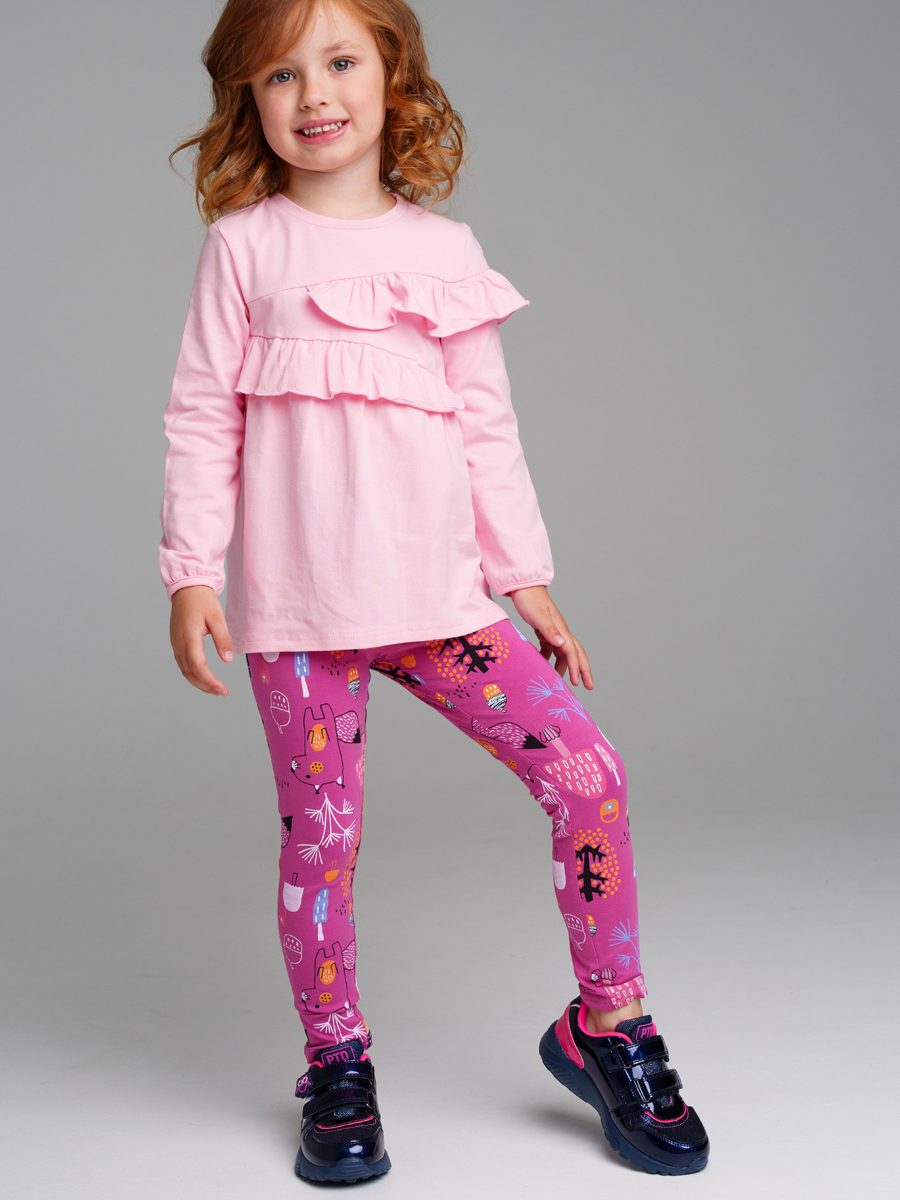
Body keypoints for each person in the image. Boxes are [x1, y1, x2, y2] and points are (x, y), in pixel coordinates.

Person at [160, 0, 708, 1182]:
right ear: (249, 99)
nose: (314, 94)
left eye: (339, 61)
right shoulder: (245, 248)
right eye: (280, 75)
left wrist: (527, 580)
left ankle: (609, 1024)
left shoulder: (448, 253)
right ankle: (336, 1064)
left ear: (393, 79)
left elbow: (487, 430)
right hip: (301, 621)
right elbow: (202, 416)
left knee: (589, 777)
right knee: (323, 844)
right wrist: (192, 570)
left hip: (444, 608)